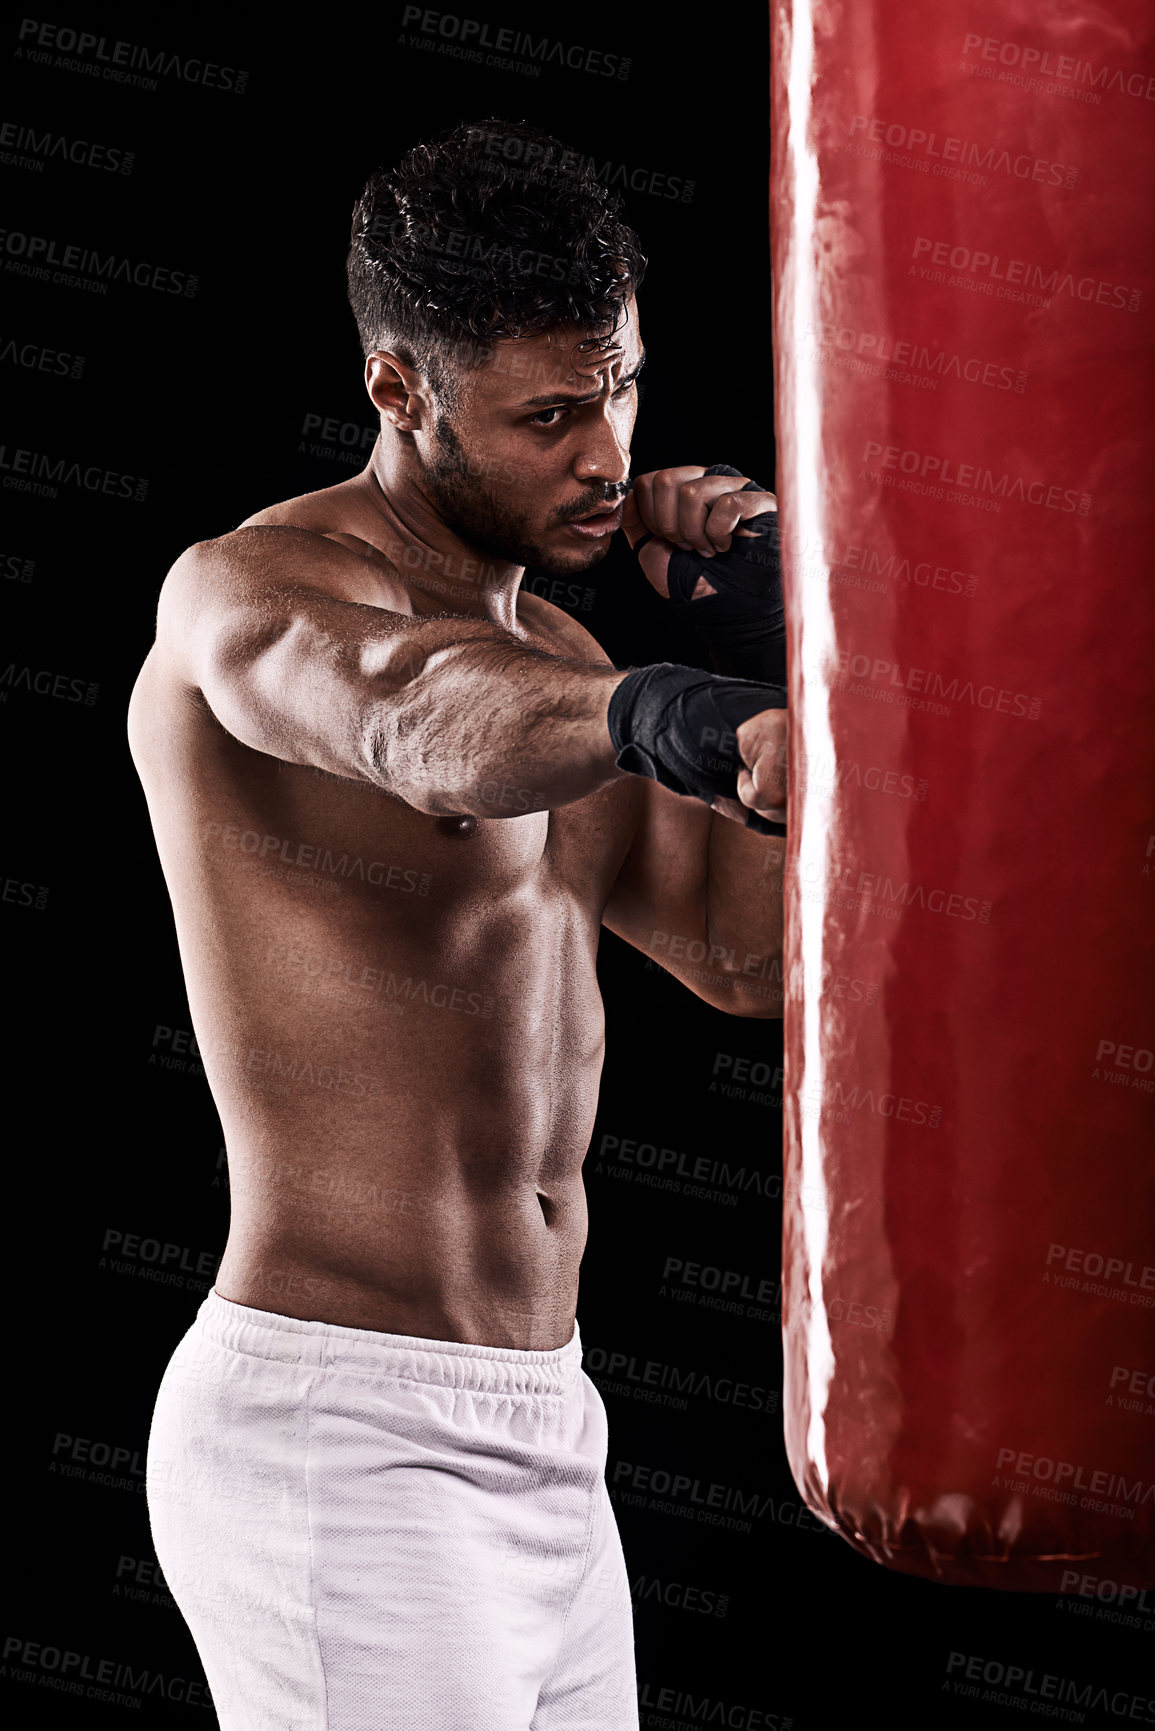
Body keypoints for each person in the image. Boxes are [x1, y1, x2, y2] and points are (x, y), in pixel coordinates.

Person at [130, 116, 788, 1731]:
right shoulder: (248, 594)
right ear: (401, 391)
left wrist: (787, 650)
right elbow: (411, 717)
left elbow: (746, 958)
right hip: (337, 1432)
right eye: (550, 416)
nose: (609, 457)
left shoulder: (562, 657)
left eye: (619, 388)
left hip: (549, 1425)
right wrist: (667, 710)